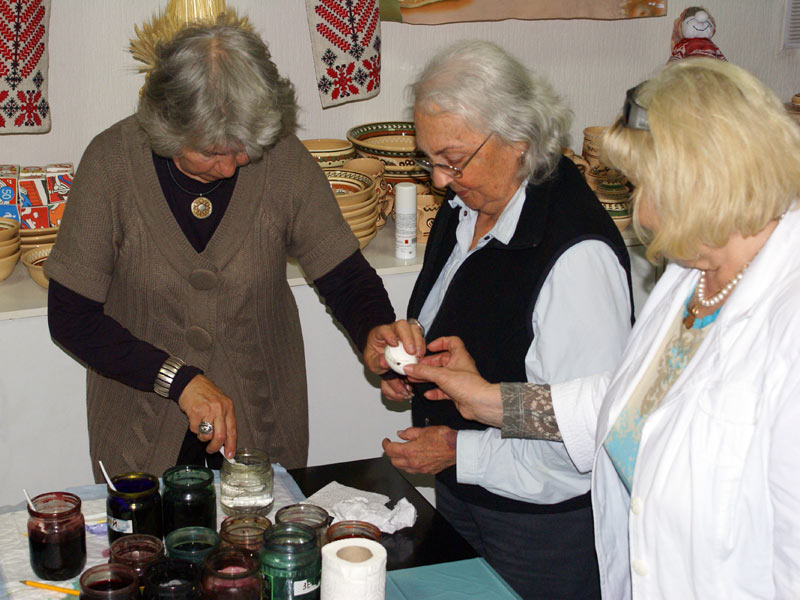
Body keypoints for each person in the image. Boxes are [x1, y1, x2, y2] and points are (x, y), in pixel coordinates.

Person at [404, 57, 800, 598]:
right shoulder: (693, 275)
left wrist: (469, 437)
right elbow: (618, 401)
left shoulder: (787, 323)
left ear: (707, 182)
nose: (642, 211)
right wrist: (488, 400)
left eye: (647, 187)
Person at [44, 21, 411, 481]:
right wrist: (177, 380)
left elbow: (344, 275)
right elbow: (71, 316)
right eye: (214, 153)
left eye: (244, 150)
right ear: (166, 127)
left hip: (263, 424)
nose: (232, 165)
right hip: (136, 432)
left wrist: (373, 331)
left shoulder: (281, 160)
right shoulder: (111, 164)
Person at [380, 40, 633, 599]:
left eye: (452, 159)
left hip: (541, 531)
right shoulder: (468, 205)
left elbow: (584, 440)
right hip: (467, 495)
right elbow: (473, 319)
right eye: (430, 160)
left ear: (519, 139)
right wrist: (415, 361)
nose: (440, 181)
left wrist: (458, 450)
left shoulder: (575, 257)